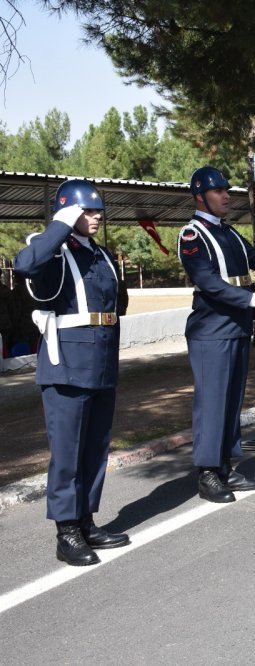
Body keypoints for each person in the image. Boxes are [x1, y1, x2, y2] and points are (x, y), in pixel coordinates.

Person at [14, 179, 129, 565]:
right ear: (68, 212)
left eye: (98, 211)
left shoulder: (100, 253)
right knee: (67, 453)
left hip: (101, 360)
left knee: (95, 447)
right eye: (87, 211)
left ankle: (86, 520)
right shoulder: (53, 250)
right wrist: (60, 225)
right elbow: (24, 265)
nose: (95, 217)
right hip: (66, 366)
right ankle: (66, 532)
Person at [178, 166, 255, 503]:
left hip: (236, 327)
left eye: (226, 191)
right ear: (200, 196)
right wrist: (249, 298)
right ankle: (207, 473)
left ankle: (225, 465)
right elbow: (206, 280)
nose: (226, 197)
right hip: (211, 329)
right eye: (218, 191)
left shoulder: (230, 233)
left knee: (232, 401)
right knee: (212, 402)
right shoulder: (192, 235)